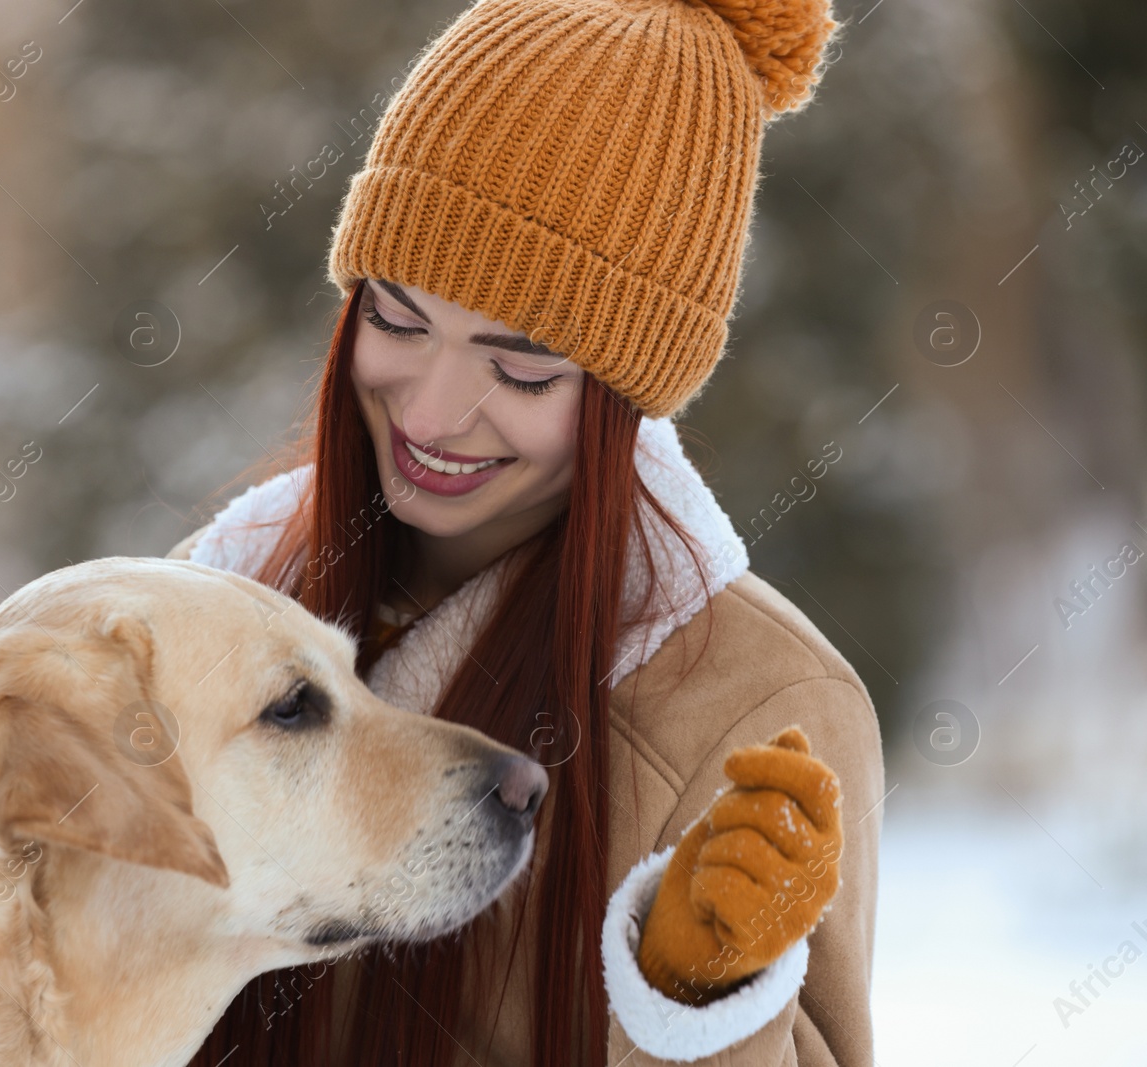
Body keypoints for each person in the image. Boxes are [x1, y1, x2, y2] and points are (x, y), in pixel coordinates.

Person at [172, 0, 883, 1062]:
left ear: (623, 392)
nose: (428, 412)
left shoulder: (755, 701)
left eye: (521, 367)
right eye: (397, 320)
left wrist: (693, 999)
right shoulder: (217, 599)